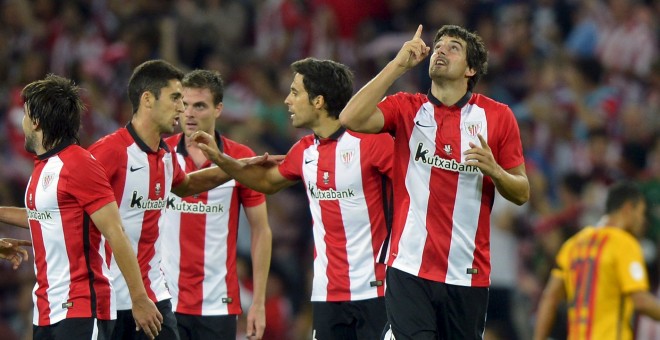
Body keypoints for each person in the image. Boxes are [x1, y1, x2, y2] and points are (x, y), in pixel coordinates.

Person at [339, 24, 530, 339]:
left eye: (453, 47)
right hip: (409, 265)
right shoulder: (406, 108)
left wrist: (496, 171)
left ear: (470, 69)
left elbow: (522, 192)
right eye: (438, 45)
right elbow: (351, 118)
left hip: (467, 273)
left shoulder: (497, 116)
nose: (440, 50)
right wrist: (397, 65)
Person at [192, 58, 394, 340]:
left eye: (295, 92)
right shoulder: (304, 150)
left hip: (378, 289)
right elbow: (265, 182)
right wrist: (220, 159)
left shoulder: (374, 143)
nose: (287, 100)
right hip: (327, 293)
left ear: (319, 101)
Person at [0, 75, 163, 339]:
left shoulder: (79, 164)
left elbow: (115, 231)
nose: (22, 124)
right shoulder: (43, 167)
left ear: (37, 121)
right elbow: (45, 216)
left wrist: (139, 297)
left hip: (82, 307)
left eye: (26, 115)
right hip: (47, 309)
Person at [87, 60, 238, 340]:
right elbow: (70, 211)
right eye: (175, 98)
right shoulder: (109, 152)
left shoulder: (166, 155)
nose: (182, 108)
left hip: (154, 296)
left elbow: (187, 184)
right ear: (147, 99)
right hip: (111, 299)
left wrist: (242, 166)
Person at [161, 69, 272, 340]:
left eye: (199, 105)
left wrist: (258, 302)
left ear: (218, 108)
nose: (189, 113)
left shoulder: (240, 158)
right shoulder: (160, 155)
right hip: (164, 301)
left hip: (218, 304)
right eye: (184, 104)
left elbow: (261, 229)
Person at [533, 181, 660, 340]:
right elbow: (641, 301)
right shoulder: (625, 243)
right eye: (640, 213)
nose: (642, 221)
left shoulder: (573, 244)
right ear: (628, 208)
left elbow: (550, 298)